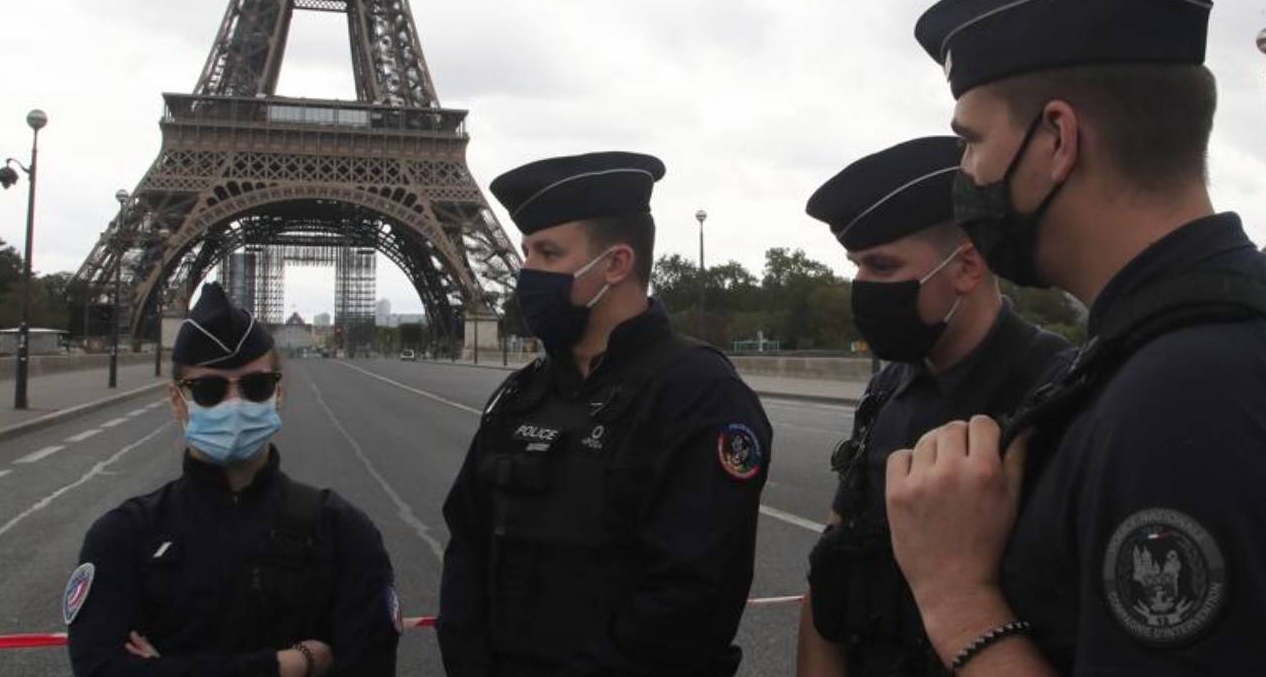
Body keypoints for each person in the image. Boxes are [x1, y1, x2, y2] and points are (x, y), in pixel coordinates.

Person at [883, 0, 1266, 675]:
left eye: (971, 142)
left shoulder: (1194, 392)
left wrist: (956, 595)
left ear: (1057, 138)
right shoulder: (1214, 341)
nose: (965, 176)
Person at [437, 151, 773, 677]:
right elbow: (467, 544)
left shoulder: (699, 395)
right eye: (525, 252)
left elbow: (690, 601)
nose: (526, 272)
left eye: (548, 253)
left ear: (616, 264)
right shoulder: (521, 394)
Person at [796, 137, 1071, 677]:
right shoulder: (889, 391)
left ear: (966, 267)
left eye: (881, 266)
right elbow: (831, 577)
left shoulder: (1053, 396)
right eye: (855, 266)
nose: (861, 287)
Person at [65, 282, 400, 677]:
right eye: (209, 390)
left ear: (278, 393)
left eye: (256, 387)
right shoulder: (120, 538)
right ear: (177, 401)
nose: (235, 403)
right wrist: (287, 665)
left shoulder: (346, 532)